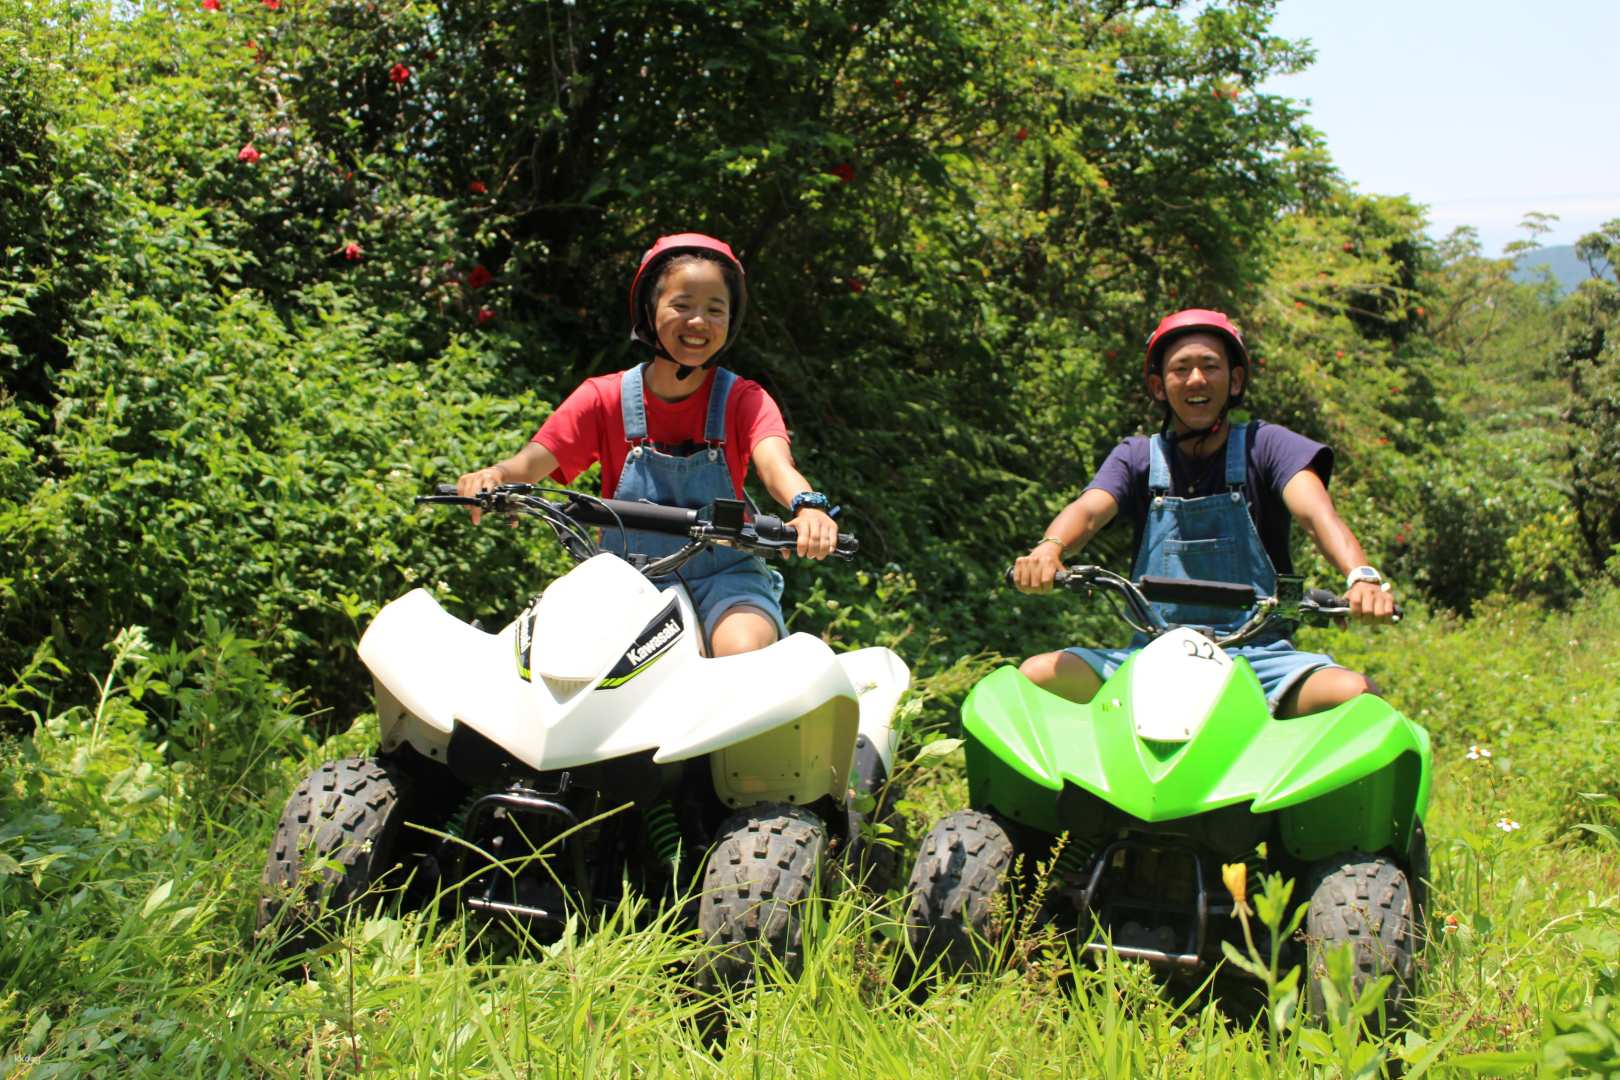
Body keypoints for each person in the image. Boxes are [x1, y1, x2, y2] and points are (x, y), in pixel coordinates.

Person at [458, 233, 839, 657]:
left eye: (715, 310)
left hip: (727, 572)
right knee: (627, 654)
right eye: (682, 305)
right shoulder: (604, 397)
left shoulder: (742, 399)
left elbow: (775, 465)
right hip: (629, 578)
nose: (698, 321)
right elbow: (530, 463)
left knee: (742, 648)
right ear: (649, 311)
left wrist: (808, 506)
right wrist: (495, 477)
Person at [1011, 308, 1396, 718]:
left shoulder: (1267, 447)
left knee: (1358, 696)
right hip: (1154, 654)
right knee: (1037, 677)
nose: (1196, 379)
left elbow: (1318, 517)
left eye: (1210, 366)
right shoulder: (1137, 456)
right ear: (1160, 386)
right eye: (1181, 369)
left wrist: (1361, 577)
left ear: (1236, 381)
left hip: (1261, 660)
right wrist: (1049, 551)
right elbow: (1088, 510)